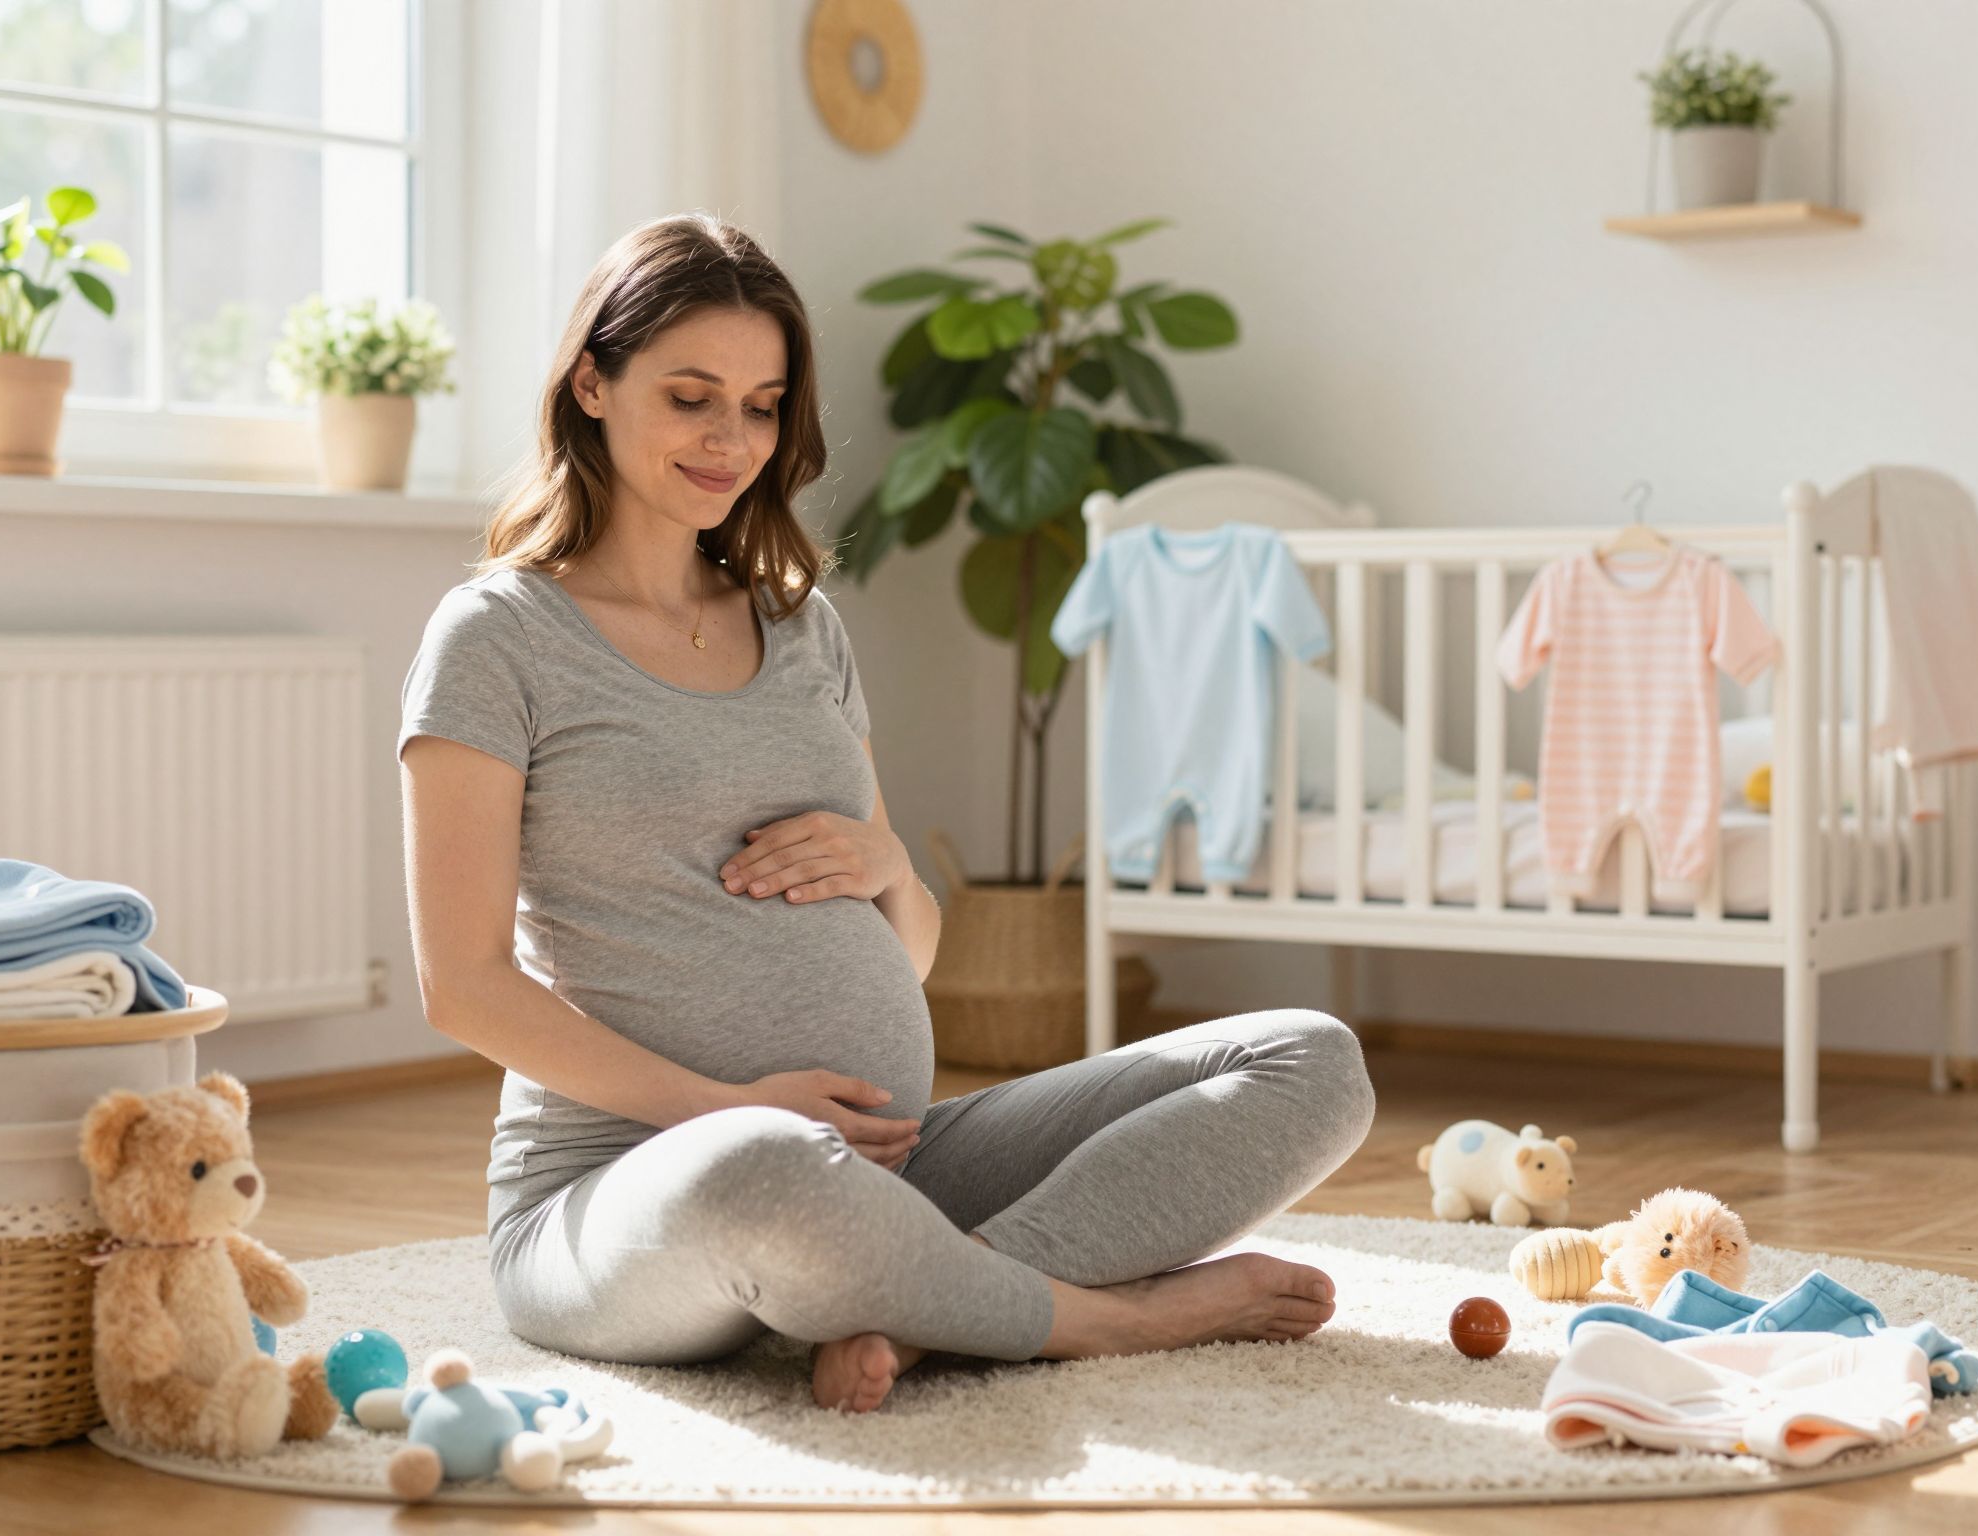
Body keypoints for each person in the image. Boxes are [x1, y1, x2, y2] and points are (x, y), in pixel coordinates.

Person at [397, 213, 1376, 1416]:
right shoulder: (497, 637)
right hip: (635, 1185)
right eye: (691, 396)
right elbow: (464, 984)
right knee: (766, 1170)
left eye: (760, 407)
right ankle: (1097, 1321)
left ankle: (925, 1316)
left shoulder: (801, 624)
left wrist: (888, 864)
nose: (729, 440)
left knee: (1308, 1061)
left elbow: (905, 954)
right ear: (591, 383)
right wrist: (735, 1110)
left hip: (889, 1158)